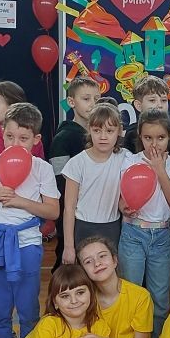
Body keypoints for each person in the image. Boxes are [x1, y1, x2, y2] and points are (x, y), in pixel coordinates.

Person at [0, 103, 61, 338]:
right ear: (2, 133)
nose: (15, 144)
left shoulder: (42, 168)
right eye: (10, 136)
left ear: (36, 140)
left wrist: (21, 201)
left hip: (27, 243)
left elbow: (53, 211)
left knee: (27, 306)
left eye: (23, 138)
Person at [118, 109, 170, 338]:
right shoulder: (129, 160)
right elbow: (120, 196)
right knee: (130, 295)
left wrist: (159, 170)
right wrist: (123, 206)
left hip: (162, 236)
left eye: (160, 138)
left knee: (159, 299)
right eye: (148, 138)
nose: (154, 144)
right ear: (140, 136)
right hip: (133, 233)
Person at [61, 103, 128, 259]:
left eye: (109, 131)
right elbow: (69, 208)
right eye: (97, 130)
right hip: (83, 227)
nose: (103, 136)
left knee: (110, 270)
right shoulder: (77, 163)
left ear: (119, 131)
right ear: (89, 129)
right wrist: (68, 246)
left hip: (112, 227)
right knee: (85, 271)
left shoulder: (125, 158)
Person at [50, 75, 102, 270]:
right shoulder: (63, 138)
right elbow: (60, 184)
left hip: (95, 215)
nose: (93, 104)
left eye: (97, 99)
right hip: (71, 216)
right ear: (71, 102)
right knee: (68, 267)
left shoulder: (100, 136)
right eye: (86, 99)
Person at [122, 76, 170, 154]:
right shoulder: (132, 134)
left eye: (164, 100)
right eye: (152, 100)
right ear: (138, 105)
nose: (159, 105)